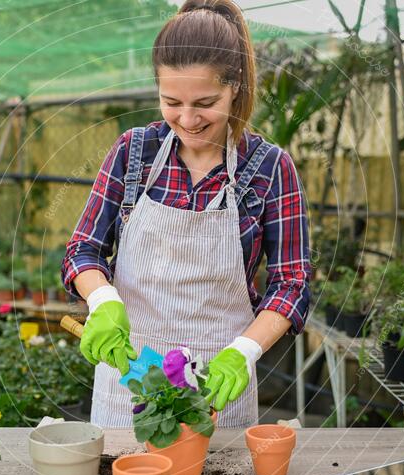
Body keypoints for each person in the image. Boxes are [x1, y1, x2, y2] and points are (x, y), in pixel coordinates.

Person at [61, 0, 310, 428]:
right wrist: (101, 300)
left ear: (236, 86)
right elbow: (83, 249)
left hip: (220, 387)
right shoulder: (132, 152)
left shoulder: (270, 168)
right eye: (171, 101)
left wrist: (244, 353)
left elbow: (291, 283)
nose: (188, 119)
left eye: (205, 102)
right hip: (129, 378)